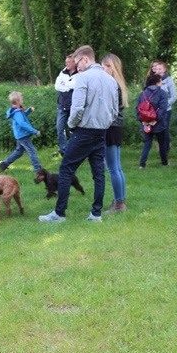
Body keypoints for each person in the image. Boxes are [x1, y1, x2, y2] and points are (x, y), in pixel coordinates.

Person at [38, 45, 119, 223]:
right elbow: (114, 110)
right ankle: (96, 214)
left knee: (66, 170)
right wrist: (103, 124)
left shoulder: (83, 78)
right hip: (102, 132)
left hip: (83, 131)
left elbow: (77, 108)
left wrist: (71, 125)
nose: (77, 67)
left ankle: (59, 214)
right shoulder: (111, 80)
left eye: (77, 63)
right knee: (98, 173)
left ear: (85, 59)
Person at [101, 53, 128, 214]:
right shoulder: (119, 84)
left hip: (110, 127)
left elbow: (106, 109)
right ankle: (120, 200)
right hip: (116, 127)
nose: (103, 69)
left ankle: (118, 203)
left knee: (112, 168)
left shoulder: (111, 85)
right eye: (103, 66)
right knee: (117, 167)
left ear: (113, 67)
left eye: (106, 66)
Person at [0, 91, 42, 172]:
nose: (23, 100)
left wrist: (29, 110)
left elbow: (22, 116)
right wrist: (34, 131)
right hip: (23, 135)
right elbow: (22, 123)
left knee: (19, 152)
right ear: (18, 101)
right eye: (21, 99)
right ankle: (37, 169)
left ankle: (4, 164)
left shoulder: (16, 110)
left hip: (20, 135)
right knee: (32, 151)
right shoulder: (17, 112)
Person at [136, 73, 170, 169]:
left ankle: (142, 164)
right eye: (161, 81)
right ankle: (164, 162)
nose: (161, 83)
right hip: (158, 123)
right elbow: (163, 108)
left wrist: (141, 120)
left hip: (145, 123)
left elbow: (138, 108)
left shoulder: (143, 93)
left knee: (147, 143)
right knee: (162, 142)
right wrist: (156, 120)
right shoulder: (162, 93)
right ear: (157, 82)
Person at [53, 55, 77, 157]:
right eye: (66, 62)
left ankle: (73, 149)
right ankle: (63, 150)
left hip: (73, 106)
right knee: (59, 128)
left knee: (73, 128)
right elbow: (57, 86)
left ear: (74, 63)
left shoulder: (80, 73)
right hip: (62, 104)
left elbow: (76, 85)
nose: (66, 63)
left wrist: (65, 84)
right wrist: (68, 87)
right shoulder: (63, 73)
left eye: (69, 62)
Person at [154, 61, 177, 158]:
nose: (158, 71)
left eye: (160, 69)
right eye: (156, 69)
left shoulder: (169, 81)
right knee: (157, 130)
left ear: (165, 70)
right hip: (155, 110)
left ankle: (166, 150)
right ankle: (161, 150)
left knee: (164, 130)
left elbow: (174, 96)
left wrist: (165, 105)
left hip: (166, 110)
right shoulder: (153, 80)